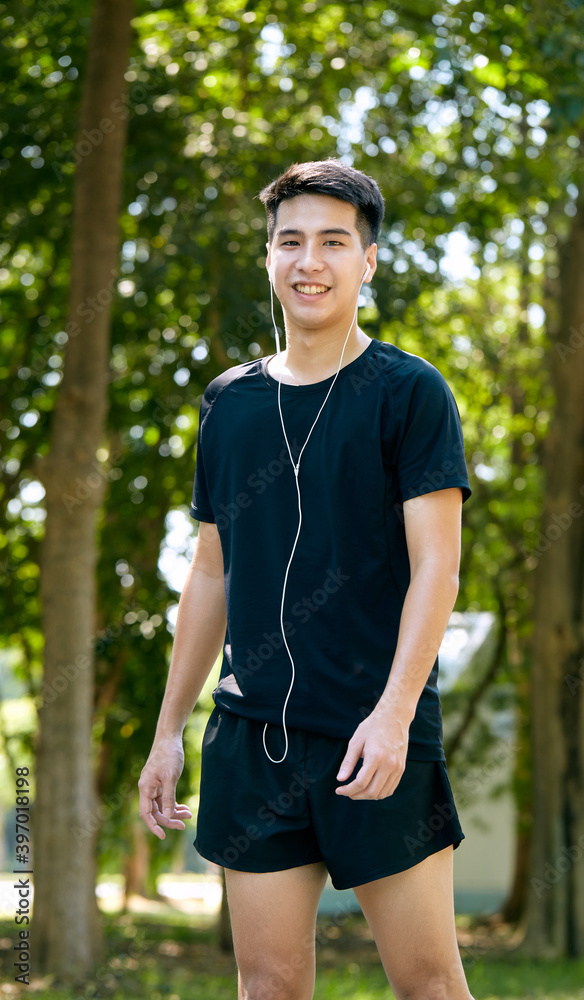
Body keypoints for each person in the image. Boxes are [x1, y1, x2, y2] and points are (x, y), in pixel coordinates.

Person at [139, 158, 475, 1000]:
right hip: (252, 741)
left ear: (366, 261)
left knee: (428, 985)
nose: (308, 262)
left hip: (376, 738)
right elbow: (210, 572)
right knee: (269, 988)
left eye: (332, 241)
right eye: (289, 241)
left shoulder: (409, 393)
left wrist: (395, 718)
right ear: (268, 257)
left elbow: (438, 564)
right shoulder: (228, 402)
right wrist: (168, 730)